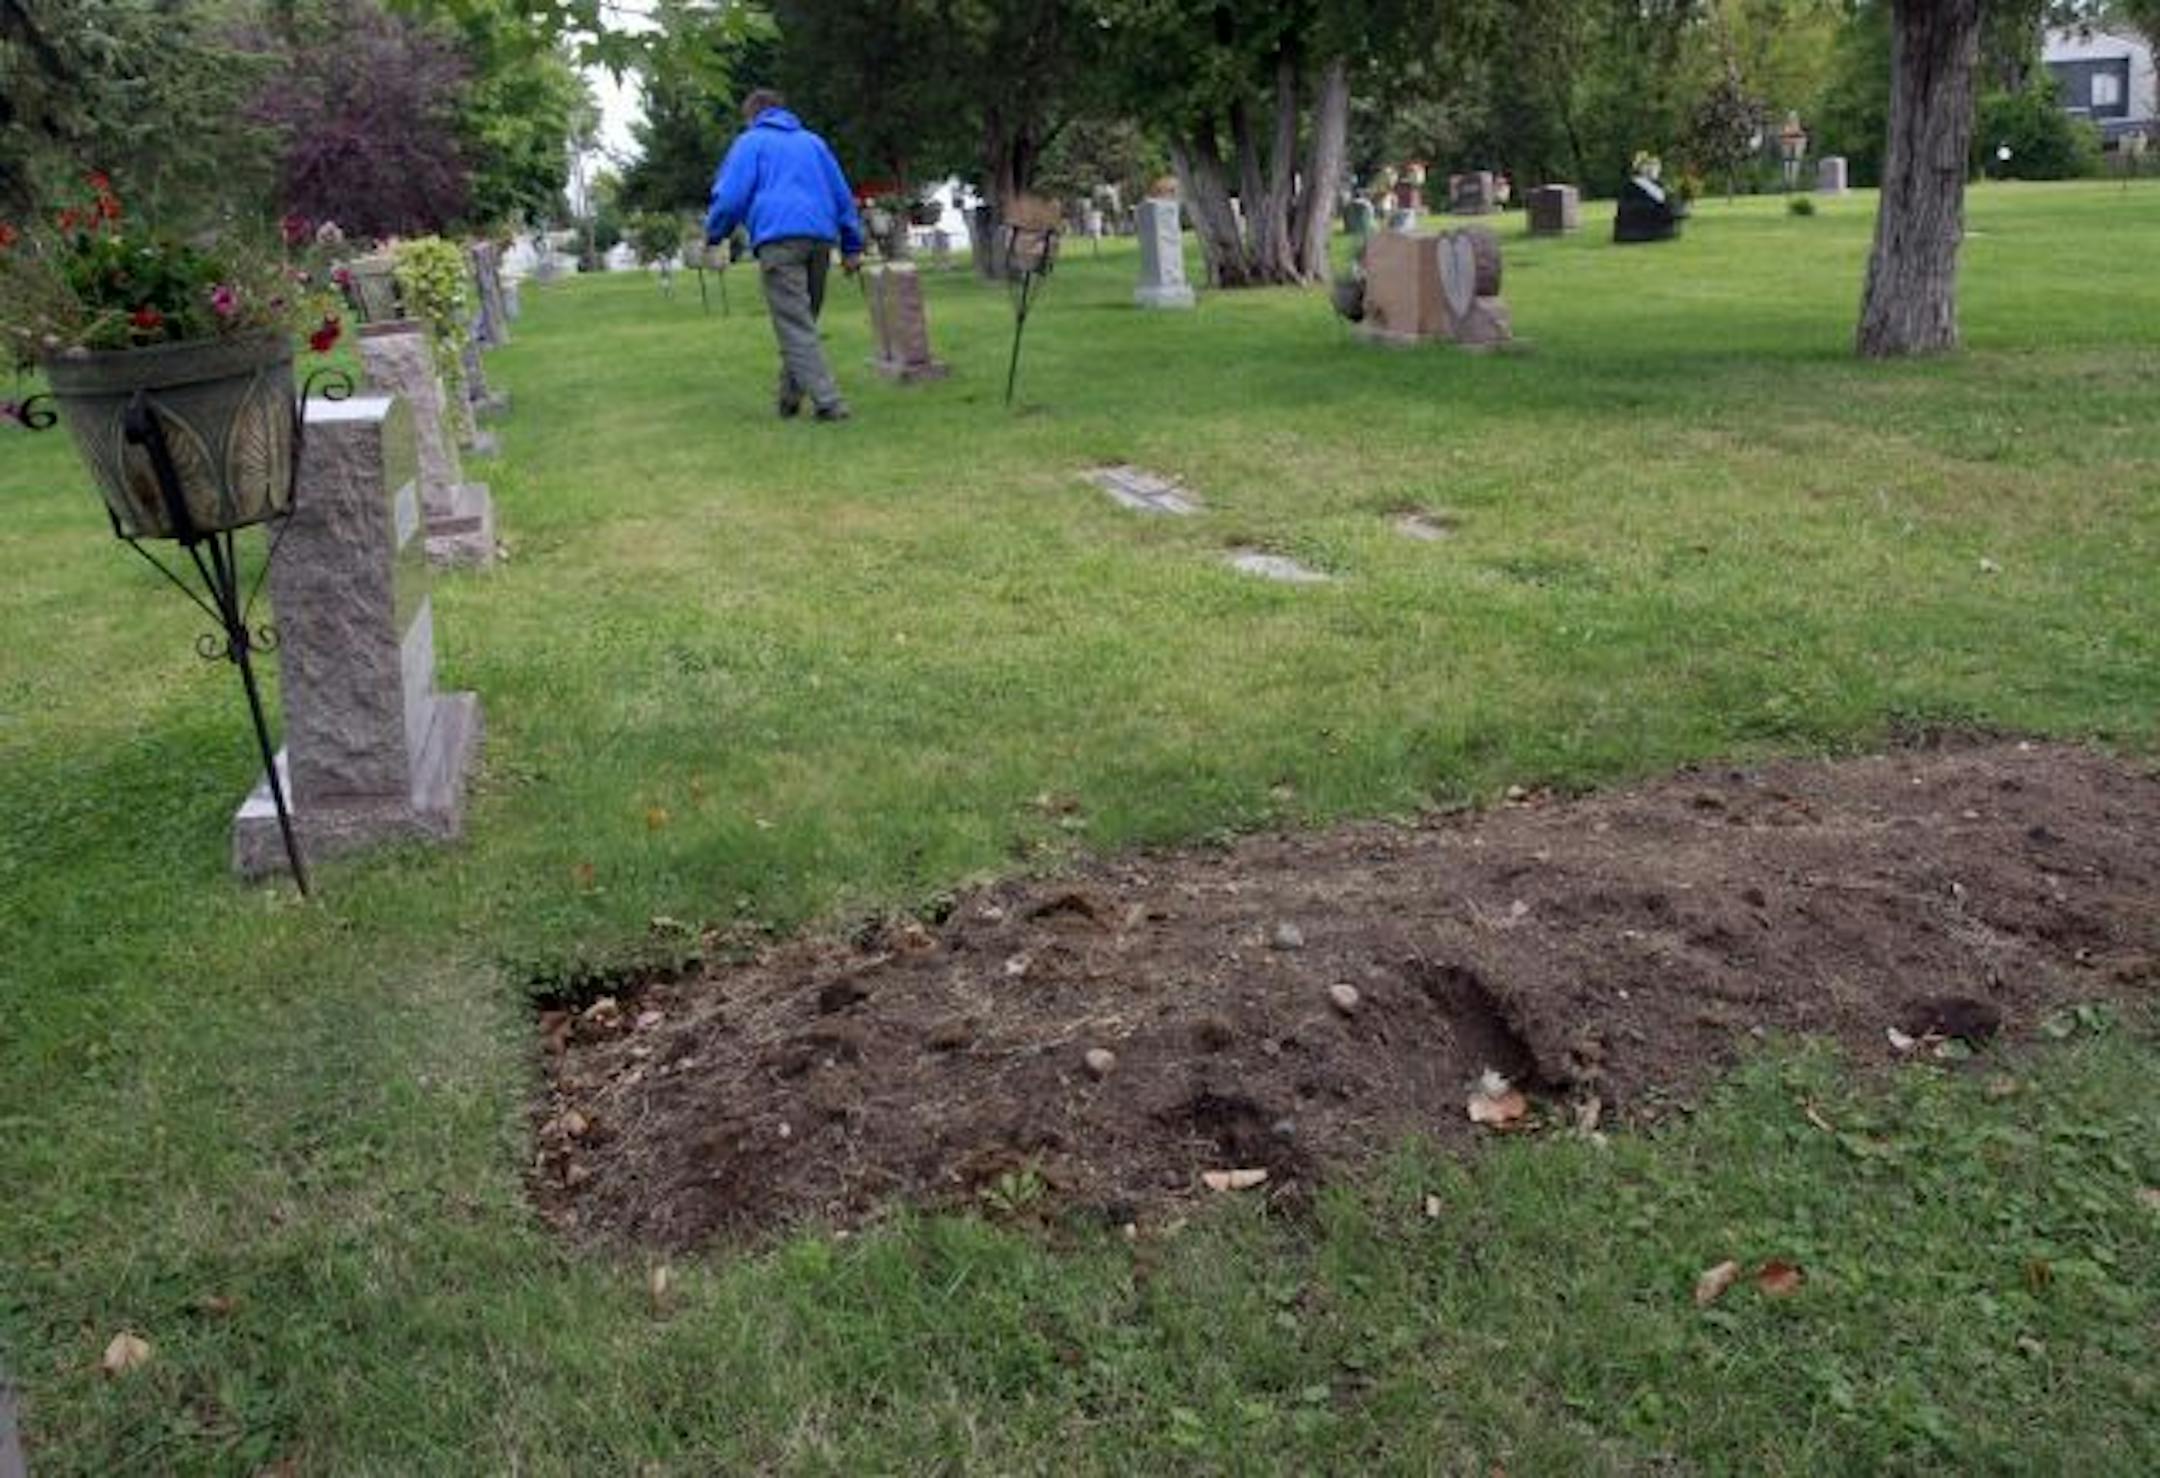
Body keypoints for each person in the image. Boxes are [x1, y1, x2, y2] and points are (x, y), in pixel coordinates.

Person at [705, 90, 864, 422]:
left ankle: (829, 402)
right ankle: (789, 399)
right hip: (820, 238)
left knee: (795, 324)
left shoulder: (750, 143)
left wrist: (715, 234)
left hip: (778, 240)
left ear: (751, 116)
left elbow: (731, 196)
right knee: (803, 321)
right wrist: (851, 246)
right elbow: (842, 195)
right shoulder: (813, 143)